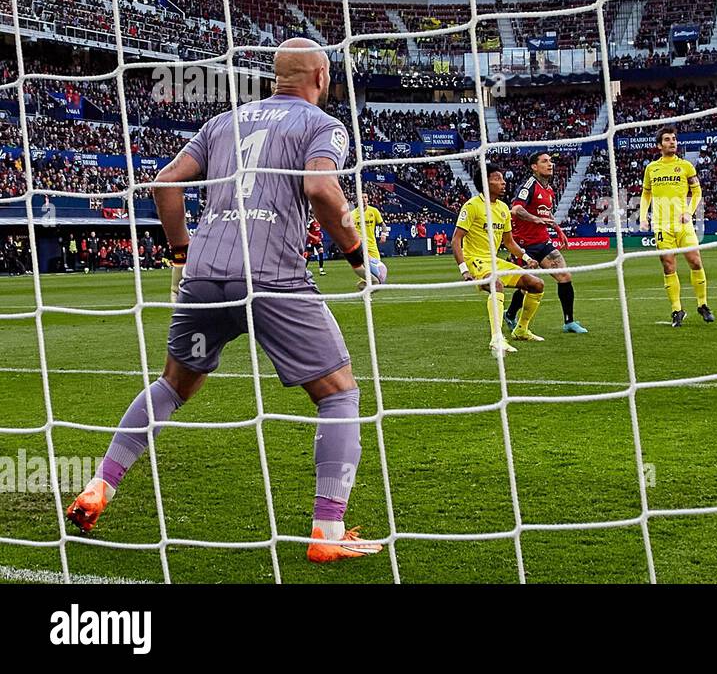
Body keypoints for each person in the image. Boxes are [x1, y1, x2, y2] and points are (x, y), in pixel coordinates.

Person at [66, 38, 389, 563]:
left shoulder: (224, 122)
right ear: (322, 79)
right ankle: (327, 533)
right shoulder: (322, 126)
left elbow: (165, 183)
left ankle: (101, 485)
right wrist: (359, 259)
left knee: (171, 386)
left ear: (275, 78)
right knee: (338, 394)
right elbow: (323, 190)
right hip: (271, 276)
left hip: (205, 274)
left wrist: (179, 253)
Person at [451, 163, 546, 354]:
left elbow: (509, 242)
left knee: (536, 284)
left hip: (494, 261)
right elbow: (456, 240)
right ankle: (496, 338)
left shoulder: (503, 208)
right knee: (497, 284)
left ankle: (521, 329)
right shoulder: (472, 206)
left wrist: (526, 258)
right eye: (497, 179)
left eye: (502, 179)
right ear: (486, 182)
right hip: (476, 261)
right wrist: (464, 270)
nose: (503, 182)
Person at [504, 152, 588, 334]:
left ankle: (569, 322)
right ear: (534, 166)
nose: (550, 164)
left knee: (564, 277)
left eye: (551, 161)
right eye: (545, 161)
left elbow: (547, 215)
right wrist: (534, 219)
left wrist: (559, 231)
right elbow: (516, 209)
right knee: (528, 286)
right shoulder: (529, 186)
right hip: (524, 244)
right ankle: (510, 314)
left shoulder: (548, 189)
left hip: (543, 242)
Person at [639, 126, 714, 326]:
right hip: (662, 225)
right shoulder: (651, 168)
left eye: (674, 139)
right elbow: (646, 193)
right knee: (668, 265)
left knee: (695, 261)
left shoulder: (687, 166)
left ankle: (702, 304)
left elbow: (697, 192)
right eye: (667, 139)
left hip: (683, 225)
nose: (672, 142)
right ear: (659, 145)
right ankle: (676, 310)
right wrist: (643, 217)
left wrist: (689, 212)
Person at [349, 192, 385, 290]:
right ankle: (366, 294)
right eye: (361, 197)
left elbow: (383, 225)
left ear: (368, 199)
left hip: (372, 246)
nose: (364, 199)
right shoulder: (352, 214)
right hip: (360, 247)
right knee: (368, 277)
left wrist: (383, 234)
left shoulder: (374, 211)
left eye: (365, 197)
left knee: (379, 276)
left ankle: (364, 290)